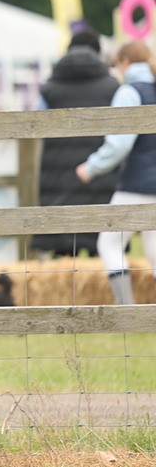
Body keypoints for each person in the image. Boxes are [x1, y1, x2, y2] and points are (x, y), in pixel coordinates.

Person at [75, 41, 156, 304]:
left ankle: (127, 310)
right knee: (154, 249)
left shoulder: (129, 92)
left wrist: (91, 167)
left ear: (124, 62)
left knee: (109, 244)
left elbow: (119, 143)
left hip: (137, 185)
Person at [32, 29, 120, 257]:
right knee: (101, 248)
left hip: (57, 174)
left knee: (63, 248)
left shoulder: (49, 88)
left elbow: (33, 123)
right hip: (99, 173)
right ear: (98, 52)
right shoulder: (112, 87)